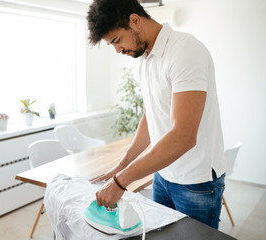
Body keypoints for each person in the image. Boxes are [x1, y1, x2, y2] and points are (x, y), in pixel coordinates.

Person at [86, 0, 226, 229]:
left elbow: (183, 136)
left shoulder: (185, 51)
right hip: (163, 175)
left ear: (135, 20)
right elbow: (151, 116)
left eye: (117, 40)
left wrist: (120, 183)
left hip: (195, 181)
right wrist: (121, 166)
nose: (117, 50)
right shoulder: (146, 59)